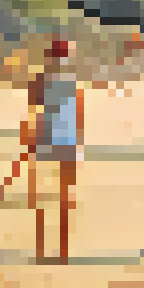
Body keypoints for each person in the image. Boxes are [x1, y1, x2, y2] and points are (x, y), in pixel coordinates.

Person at [26, 38, 84, 263]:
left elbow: (33, 111)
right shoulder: (72, 81)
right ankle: (62, 250)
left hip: (47, 139)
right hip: (66, 141)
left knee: (42, 197)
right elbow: (78, 114)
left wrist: (30, 137)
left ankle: (42, 249)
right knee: (63, 197)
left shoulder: (40, 80)